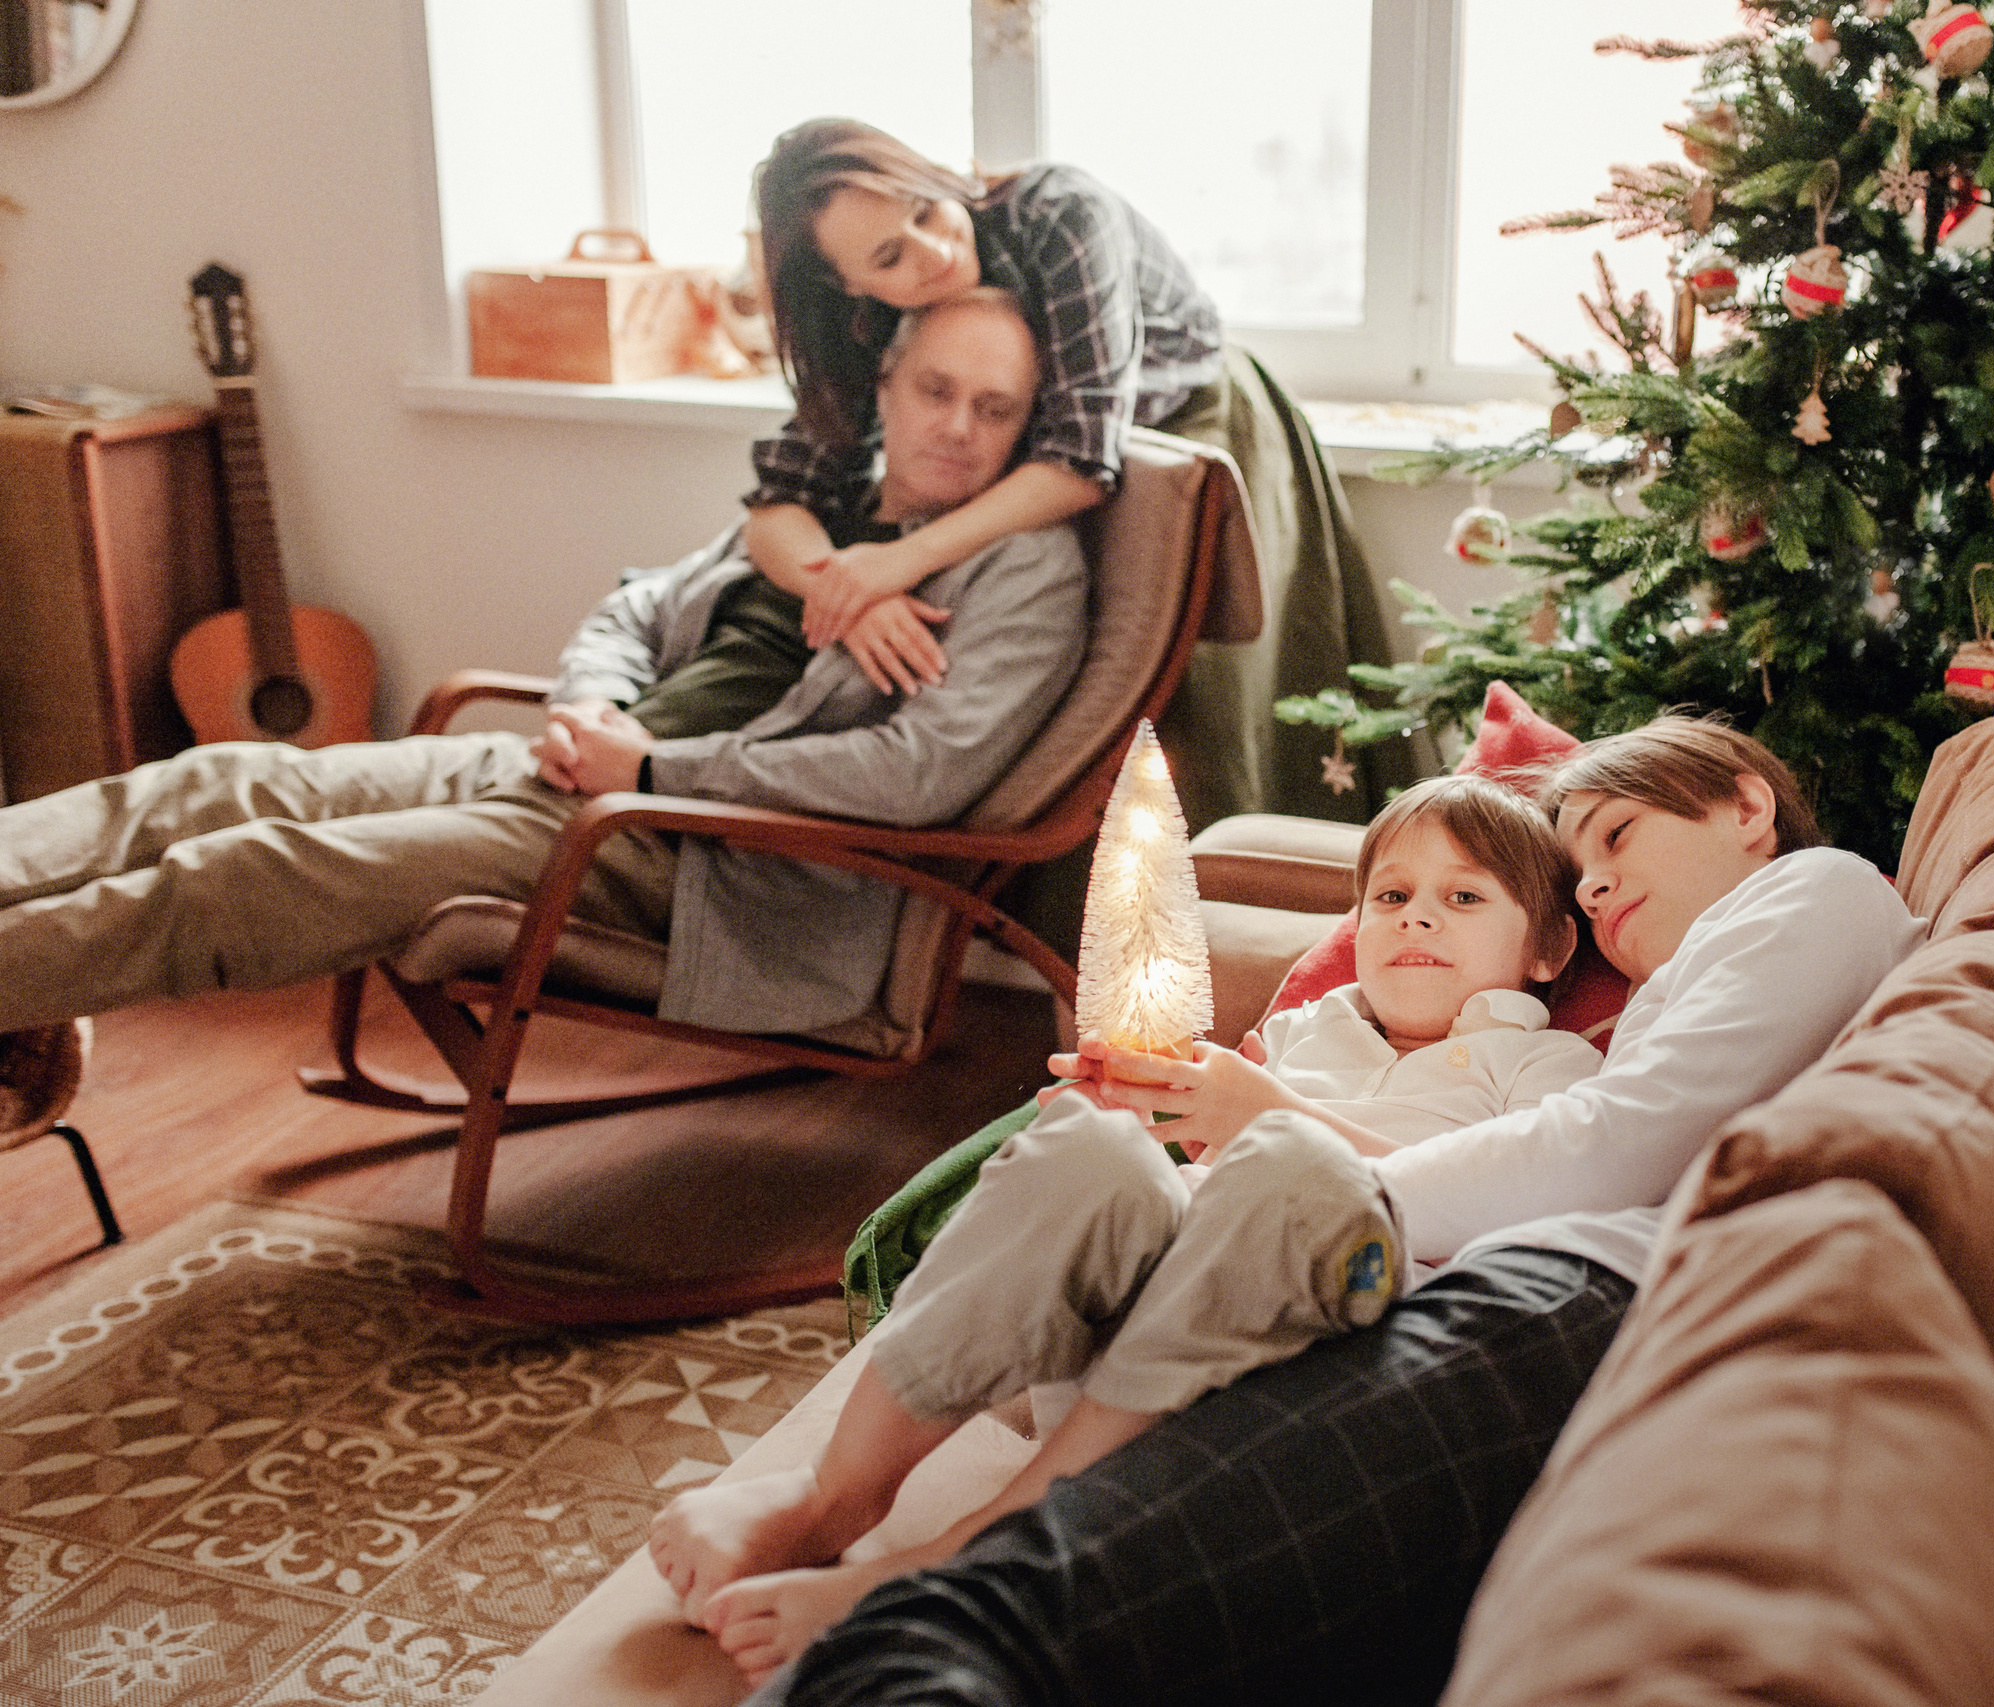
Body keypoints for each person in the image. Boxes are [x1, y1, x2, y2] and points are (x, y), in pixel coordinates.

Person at [749, 715, 1932, 1707]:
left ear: (1745, 807)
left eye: (1619, 836)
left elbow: (1617, 1145)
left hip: (1513, 1298)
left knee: (1272, 1200)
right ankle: (861, 1510)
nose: (1605, 880)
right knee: (1093, 1154)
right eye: (1585, 870)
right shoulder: (1678, 983)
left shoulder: (1812, 894)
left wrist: (1269, 1156)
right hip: (1407, 1286)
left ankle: (936, 1570)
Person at [650, 774, 1606, 1679]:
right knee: (1092, 1143)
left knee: (1290, 1164)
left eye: (1465, 899)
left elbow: (1500, 1204)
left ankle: (972, 1553)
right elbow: (1193, 1174)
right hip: (1142, 1338)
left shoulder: (1548, 1069)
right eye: (1390, 896)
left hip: (1306, 1357)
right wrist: (1139, 1113)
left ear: (1550, 950)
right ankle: (832, 1496)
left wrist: (1272, 1113)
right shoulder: (1303, 1032)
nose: (1418, 916)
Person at [0, 288, 1082, 1050]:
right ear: (884, 386)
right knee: (217, 781)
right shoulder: (824, 503)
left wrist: (654, 775)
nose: (956, 428)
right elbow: (640, 605)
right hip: (577, 772)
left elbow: (919, 774)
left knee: (247, 875)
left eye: (994, 411)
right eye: (937, 390)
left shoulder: (1026, 567)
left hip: (707, 856)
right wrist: (592, 708)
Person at [746, 118, 1413, 837]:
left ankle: (1215, 903)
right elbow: (780, 499)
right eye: (890, 256)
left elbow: (1080, 462)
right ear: (847, 286)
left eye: (925, 209)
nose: (935, 251)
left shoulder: (1063, 214)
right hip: (1042, 450)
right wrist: (848, 590)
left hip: (1186, 423)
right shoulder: (860, 323)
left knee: (1191, 712)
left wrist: (895, 561)